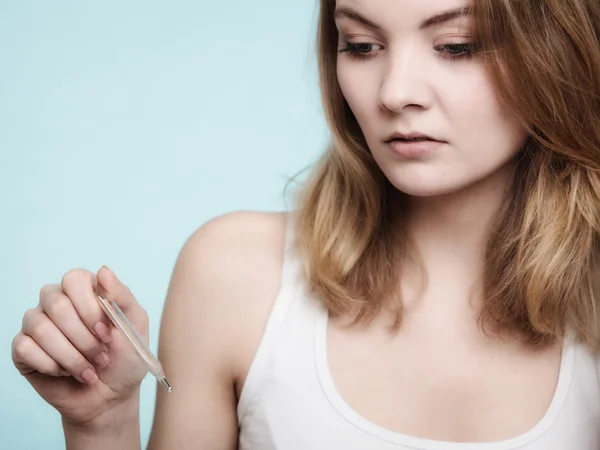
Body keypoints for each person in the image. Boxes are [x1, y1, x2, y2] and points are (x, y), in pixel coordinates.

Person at [11, 0, 600, 448]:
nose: (395, 93)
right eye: (362, 45)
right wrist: (102, 425)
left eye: (456, 46)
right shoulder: (236, 273)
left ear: (557, 48)